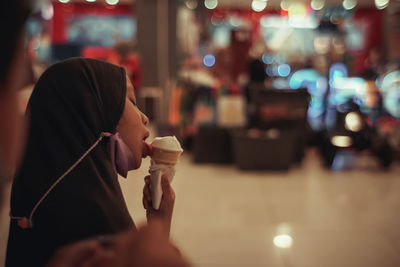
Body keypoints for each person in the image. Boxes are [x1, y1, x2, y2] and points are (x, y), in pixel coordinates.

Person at [5, 57, 186, 266]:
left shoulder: (47, 197)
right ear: (94, 109)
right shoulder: (93, 230)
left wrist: (158, 227)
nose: (144, 117)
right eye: (132, 102)